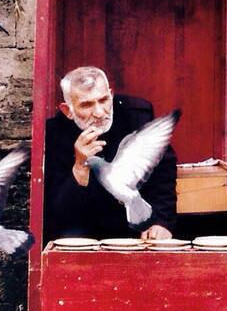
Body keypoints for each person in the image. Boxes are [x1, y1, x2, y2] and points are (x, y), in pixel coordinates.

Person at [43, 66, 176, 243]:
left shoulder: (136, 116)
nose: (99, 112)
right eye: (86, 104)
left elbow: (163, 172)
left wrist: (162, 222)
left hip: (135, 231)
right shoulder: (54, 134)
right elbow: (56, 212)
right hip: (82, 235)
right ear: (68, 110)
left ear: (111, 95)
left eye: (103, 100)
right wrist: (80, 166)